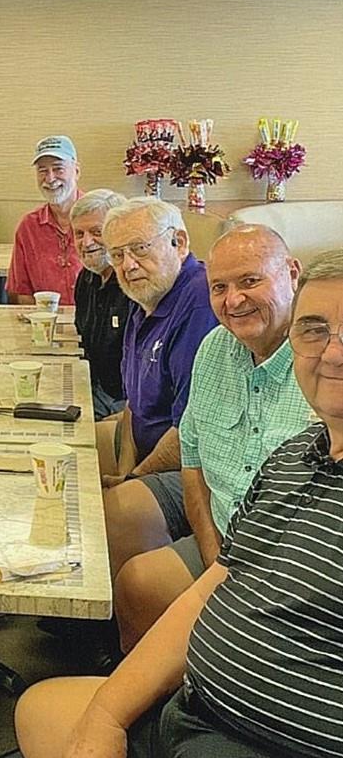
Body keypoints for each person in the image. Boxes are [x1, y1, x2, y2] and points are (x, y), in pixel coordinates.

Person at [15, 250, 343, 758]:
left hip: (265, 737)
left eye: (251, 280)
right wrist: (107, 713)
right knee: (40, 710)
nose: (333, 353)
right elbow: (195, 470)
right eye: (315, 330)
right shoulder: (297, 456)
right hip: (199, 707)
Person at [112, 225, 311, 652]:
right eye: (219, 287)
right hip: (223, 537)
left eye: (250, 281)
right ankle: (147, 691)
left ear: (292, 273)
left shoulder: (321, 368)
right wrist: (213, 561)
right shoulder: (214, 348)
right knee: (134, 578)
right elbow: (194, 463)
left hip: (292, 567)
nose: (233, 300)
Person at [98, 198, 218, 583]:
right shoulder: (146, 296)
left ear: (179, 242)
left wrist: (134, 479)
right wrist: (126, 468)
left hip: (196, 464)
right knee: (78, 444)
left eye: (139, 248)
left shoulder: (199, 303)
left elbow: (189, 432)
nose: (128, 265)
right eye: (117, 255)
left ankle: (111, 613)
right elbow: (135, 401)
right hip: (151, 444)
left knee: (117, 506)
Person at [69, 189, 132, 419]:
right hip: (91, 385)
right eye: (78, 233)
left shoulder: (133, 283)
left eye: (97, 232)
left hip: (123, 401)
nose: (86, 242)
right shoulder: (87, 277)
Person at [8, 135, 84, 305]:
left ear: (77, 171)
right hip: (45, 322)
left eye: (58, 169)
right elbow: (22, 292)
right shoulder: (28, 227)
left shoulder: (101, 218)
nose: (50, 178)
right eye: (42, 170)